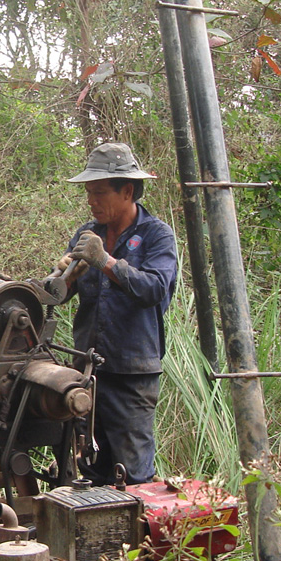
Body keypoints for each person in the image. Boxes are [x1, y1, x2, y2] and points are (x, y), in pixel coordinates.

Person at [59, 142, 178, 485]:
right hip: (88, 371)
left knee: (133, 472)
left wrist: (107, 263)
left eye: (99, 192)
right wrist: (62, 276)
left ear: (127, 191)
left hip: (131, 374)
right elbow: (61, 295)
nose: (91, 201)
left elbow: (154, 289)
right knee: (92, 469)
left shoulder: (157, 236)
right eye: (88, 192)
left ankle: (138, 536)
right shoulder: (89, 233)